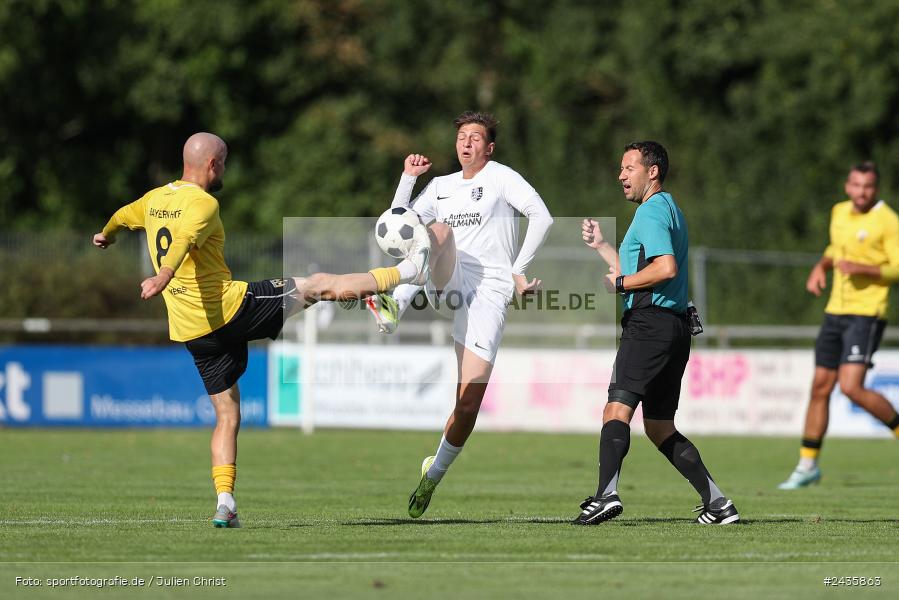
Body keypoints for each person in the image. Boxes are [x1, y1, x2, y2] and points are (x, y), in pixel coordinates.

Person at [93, 132, 429, 528]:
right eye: (225, 163)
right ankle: (407, 273)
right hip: (232, 310)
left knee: (227, 412)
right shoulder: (204, 202)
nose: (225, 170)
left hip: (191, 329)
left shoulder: (153, 200)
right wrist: (164, 273)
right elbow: (184, 239)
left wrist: (107, 234)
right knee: (316, 284)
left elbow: (122, 214)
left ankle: (225, 503)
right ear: (213, 165)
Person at [365, 111, 553, 518]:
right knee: (437, 232)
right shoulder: (441, 186)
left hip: (489, 294)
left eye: (475, 137)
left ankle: (433, 474)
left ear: (489, 147)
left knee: (467, 405)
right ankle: (394, 300)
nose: (466, 143)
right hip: (449, 283)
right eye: (461, 137)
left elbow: (542, 216)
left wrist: (519, 270)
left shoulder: (502, 177)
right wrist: (407, 179)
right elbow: (397, 226)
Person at [573, 141, 739, 525]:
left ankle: (605, 495)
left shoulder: (650, 213)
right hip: (674, 327)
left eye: (628, 168)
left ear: (652, 172)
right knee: (660, 426)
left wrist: (621, 284)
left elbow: (664, 269)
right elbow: (640, 270)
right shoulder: (670, 209)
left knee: (617, 409)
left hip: (649, 325)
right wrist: (603, 248)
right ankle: (719, 504)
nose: (621, 176)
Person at [778, 161, 899, 490]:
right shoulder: (839, 212)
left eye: (869, 186)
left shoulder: (888, 221)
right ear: (848, 186)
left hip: (867, 313)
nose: (862, 192)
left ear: (877, 188)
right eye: (857, 185)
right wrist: (821, 266)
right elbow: (835, 249)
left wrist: (863, 268)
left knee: (851, 387)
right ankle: (807, 466)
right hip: (836, 312)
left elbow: (897, 268)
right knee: (820, 387)